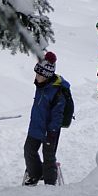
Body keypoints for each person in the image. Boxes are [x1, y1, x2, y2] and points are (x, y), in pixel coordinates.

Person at [23, 51, 69, 186]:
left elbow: (57, 115)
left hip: (50, 130)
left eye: (40, 75)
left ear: (47, 76)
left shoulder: (57, 92)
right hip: (36, 126)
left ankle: (50, 183)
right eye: (36, 73)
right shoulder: (41, 85)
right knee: (29, 150)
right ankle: (35, 174)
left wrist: (52, 132)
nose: (36, 77)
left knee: (48, 156)